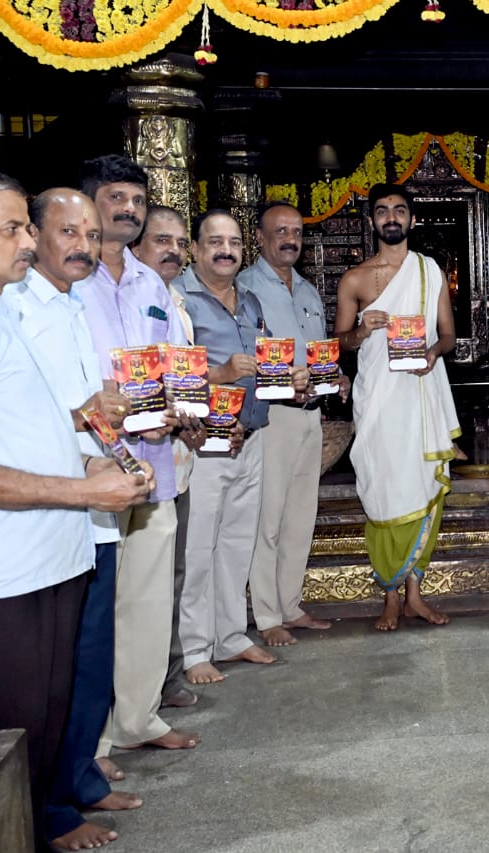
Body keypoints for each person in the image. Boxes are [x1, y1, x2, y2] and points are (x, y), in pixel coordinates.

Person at [0, 169, 152, 851]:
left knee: (41, 731)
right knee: (2, 751)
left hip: (45, 556)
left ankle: (44, 825)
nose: (28, 241)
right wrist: (84, 491)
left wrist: (86, 465)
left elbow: (18, 432)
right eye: (11, 228)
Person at [7, 187, 149, 849]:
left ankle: (81, 778)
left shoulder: (70, 305)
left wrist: (122, 453)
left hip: (97, 504)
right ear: (33, 235)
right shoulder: (15, 310)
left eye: (91, 236)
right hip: (55, 508)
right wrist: (87, 416)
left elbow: (90, 410)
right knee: (56, 668)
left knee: (92, 657)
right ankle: (53, 810)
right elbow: (18, 419)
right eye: (68, 232)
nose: (84, 247)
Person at [74, 154, 201, 756]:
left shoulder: (153, 285)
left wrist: (183, 406)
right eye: (116, 198)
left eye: (137, 201)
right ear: (89, 204)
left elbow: (176, 364)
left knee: (149, 600)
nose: (128, 209)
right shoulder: (68, 282)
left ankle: (139, 719)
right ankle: (93, 742)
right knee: (98, 605)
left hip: (155, 460)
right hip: (93, 461)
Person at [178, 210, 299, 682]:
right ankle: (194, 649)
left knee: (236, 545)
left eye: (233, 242)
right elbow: (173, 377)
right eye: (215, 242)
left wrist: (291, 380)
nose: (225, 251)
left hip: (250, 434)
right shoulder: (179, 300)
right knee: (198, 549)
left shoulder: (249, 301)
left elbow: (262, 368)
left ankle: (229, 637)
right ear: (195, 248)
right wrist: (222, 374)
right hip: (204, 440)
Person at [335, 182, 460, 631]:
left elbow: (448, 334)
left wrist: (433, 352)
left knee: (422, 488)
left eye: (400, 210)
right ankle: (389, 594)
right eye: (383, 210)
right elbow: (339, 344)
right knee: (384, 492)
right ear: (372, 220)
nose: (392, 217)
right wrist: (361, 330)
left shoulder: (429, 271)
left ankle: (414, 596)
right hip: (378, 402)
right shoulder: (354, 280)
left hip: (420, 396)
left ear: (412, 219)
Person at [239, 201, 346, 647]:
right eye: (280, 231)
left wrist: (336, 376)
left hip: (310, 415)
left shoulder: (306, 290)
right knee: (268, 518)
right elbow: (246, 356)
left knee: (300, 516)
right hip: (273, 416)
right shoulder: (245, 287)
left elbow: (316, 351)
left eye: (297, 232)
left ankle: (290, 605)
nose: (290, 239)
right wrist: (287, 386)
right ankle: (267, 616)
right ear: (259, 238)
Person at [131, 204, 203, 710]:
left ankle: (167, 677)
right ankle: (137, 694)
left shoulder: (176, 300)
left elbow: (185, 381)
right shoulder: (118, 296)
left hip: (176, 459)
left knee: (171, 576)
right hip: (131, 460)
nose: (173, 251)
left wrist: (198, 421)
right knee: (139, 586)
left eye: (179, 243)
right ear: (136, 245)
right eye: (162, 240)